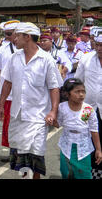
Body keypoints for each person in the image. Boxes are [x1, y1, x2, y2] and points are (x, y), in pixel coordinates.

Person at [0, 22, 62, 179]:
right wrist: (1, 103)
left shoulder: (46, 59)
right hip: (18, 115)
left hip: (38, 117)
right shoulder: (14, 58)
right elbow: (8, 82)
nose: (14, 39)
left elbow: (54, 87)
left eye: (17, 35)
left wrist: (53, 111)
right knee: (22, 156)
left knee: (36, 155)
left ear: (27, 37)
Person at [53, 78, 102, 179]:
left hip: (83, 149)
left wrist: (98, 150)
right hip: (66, 147)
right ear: (67, 94)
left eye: (83, 91)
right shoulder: (62, 107)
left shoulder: (87, 110)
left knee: (84, 174)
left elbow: (94, 130)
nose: (81, 94)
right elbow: (59, 124)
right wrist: (52, 121)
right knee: (66, 172)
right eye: (77, 91)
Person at [75, 33, 102, 179]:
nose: (99, 48)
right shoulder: (86, 59)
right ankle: (85, 171)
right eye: (98, 45)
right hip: (87, 108)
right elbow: (77, 82)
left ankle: (98, 172)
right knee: (84, 137)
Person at [0, 20, 20, 162]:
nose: (7, 37)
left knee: (21, 124)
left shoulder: (26, 49)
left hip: (22, 95)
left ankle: (21, 152)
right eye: (6, 34)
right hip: (6, 94)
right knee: (8, 124)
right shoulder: (3, 49)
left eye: (9, 34)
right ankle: (12, 153)